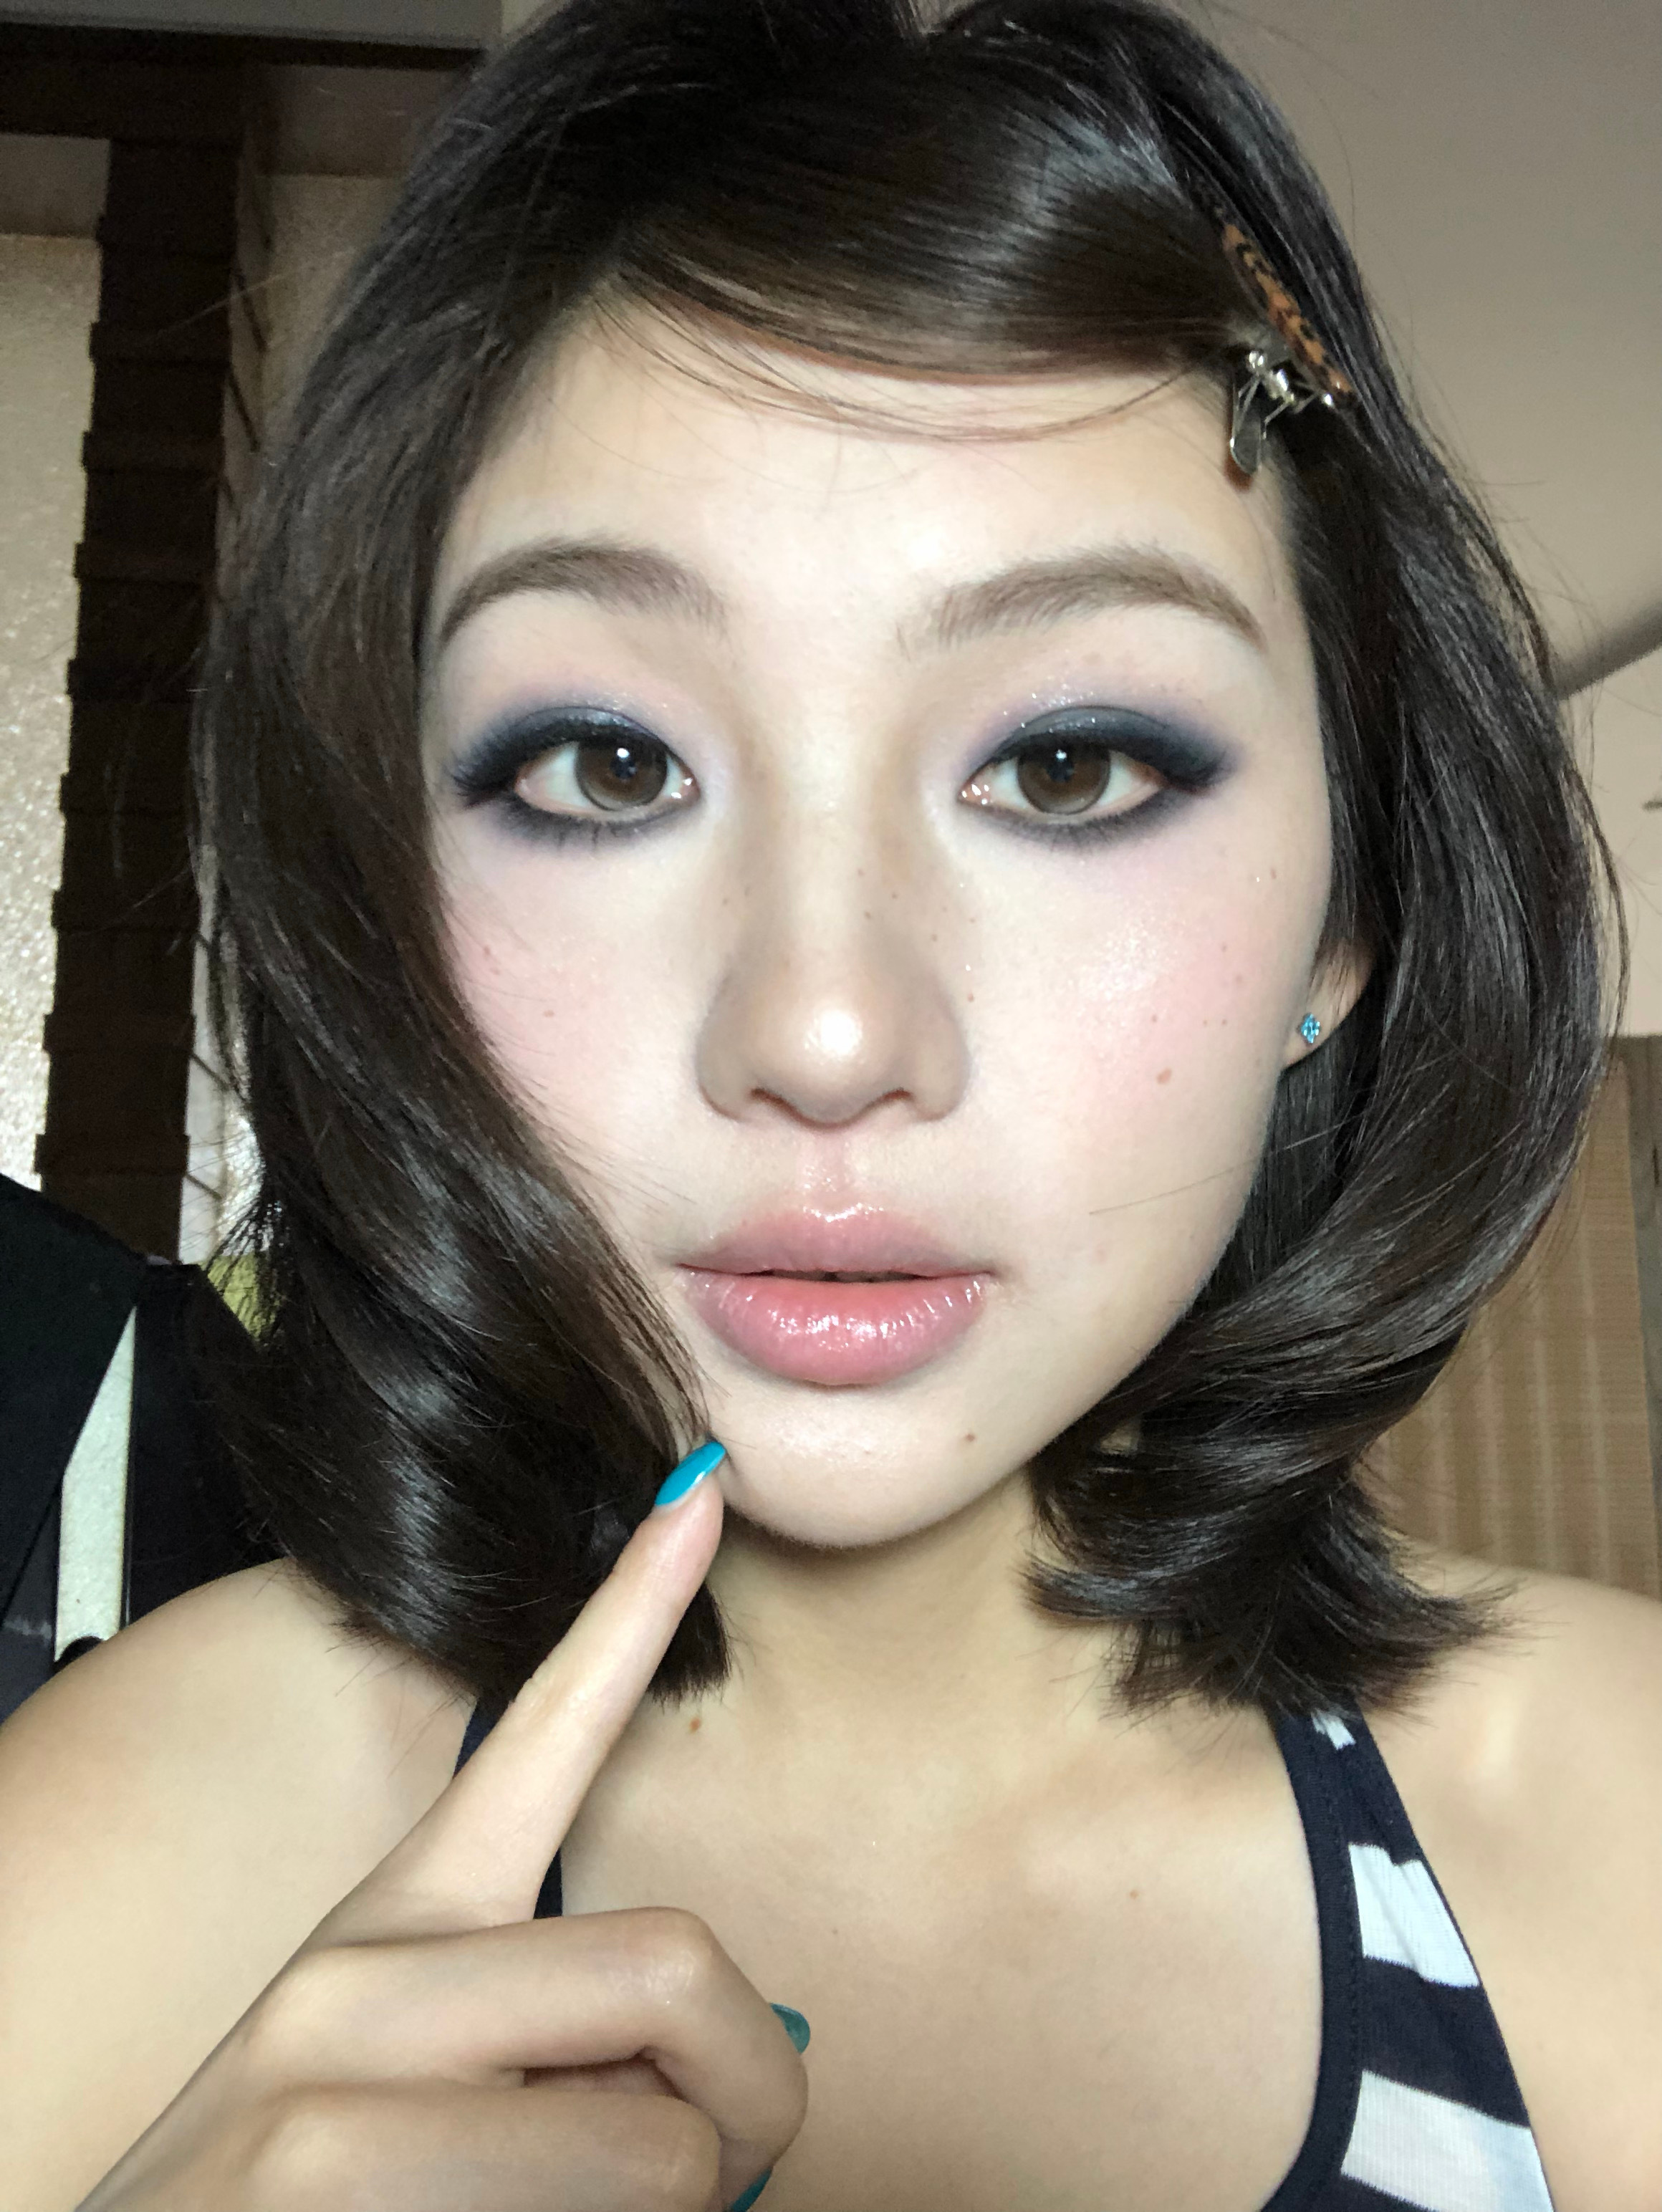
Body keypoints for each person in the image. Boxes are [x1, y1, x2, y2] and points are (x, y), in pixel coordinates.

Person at [0, 1, 1656, 2207]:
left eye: (1068, 764)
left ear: (1344, 927)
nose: (829, 1028)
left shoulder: (1623, 1827)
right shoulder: (121, 1835)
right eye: (609, 766)